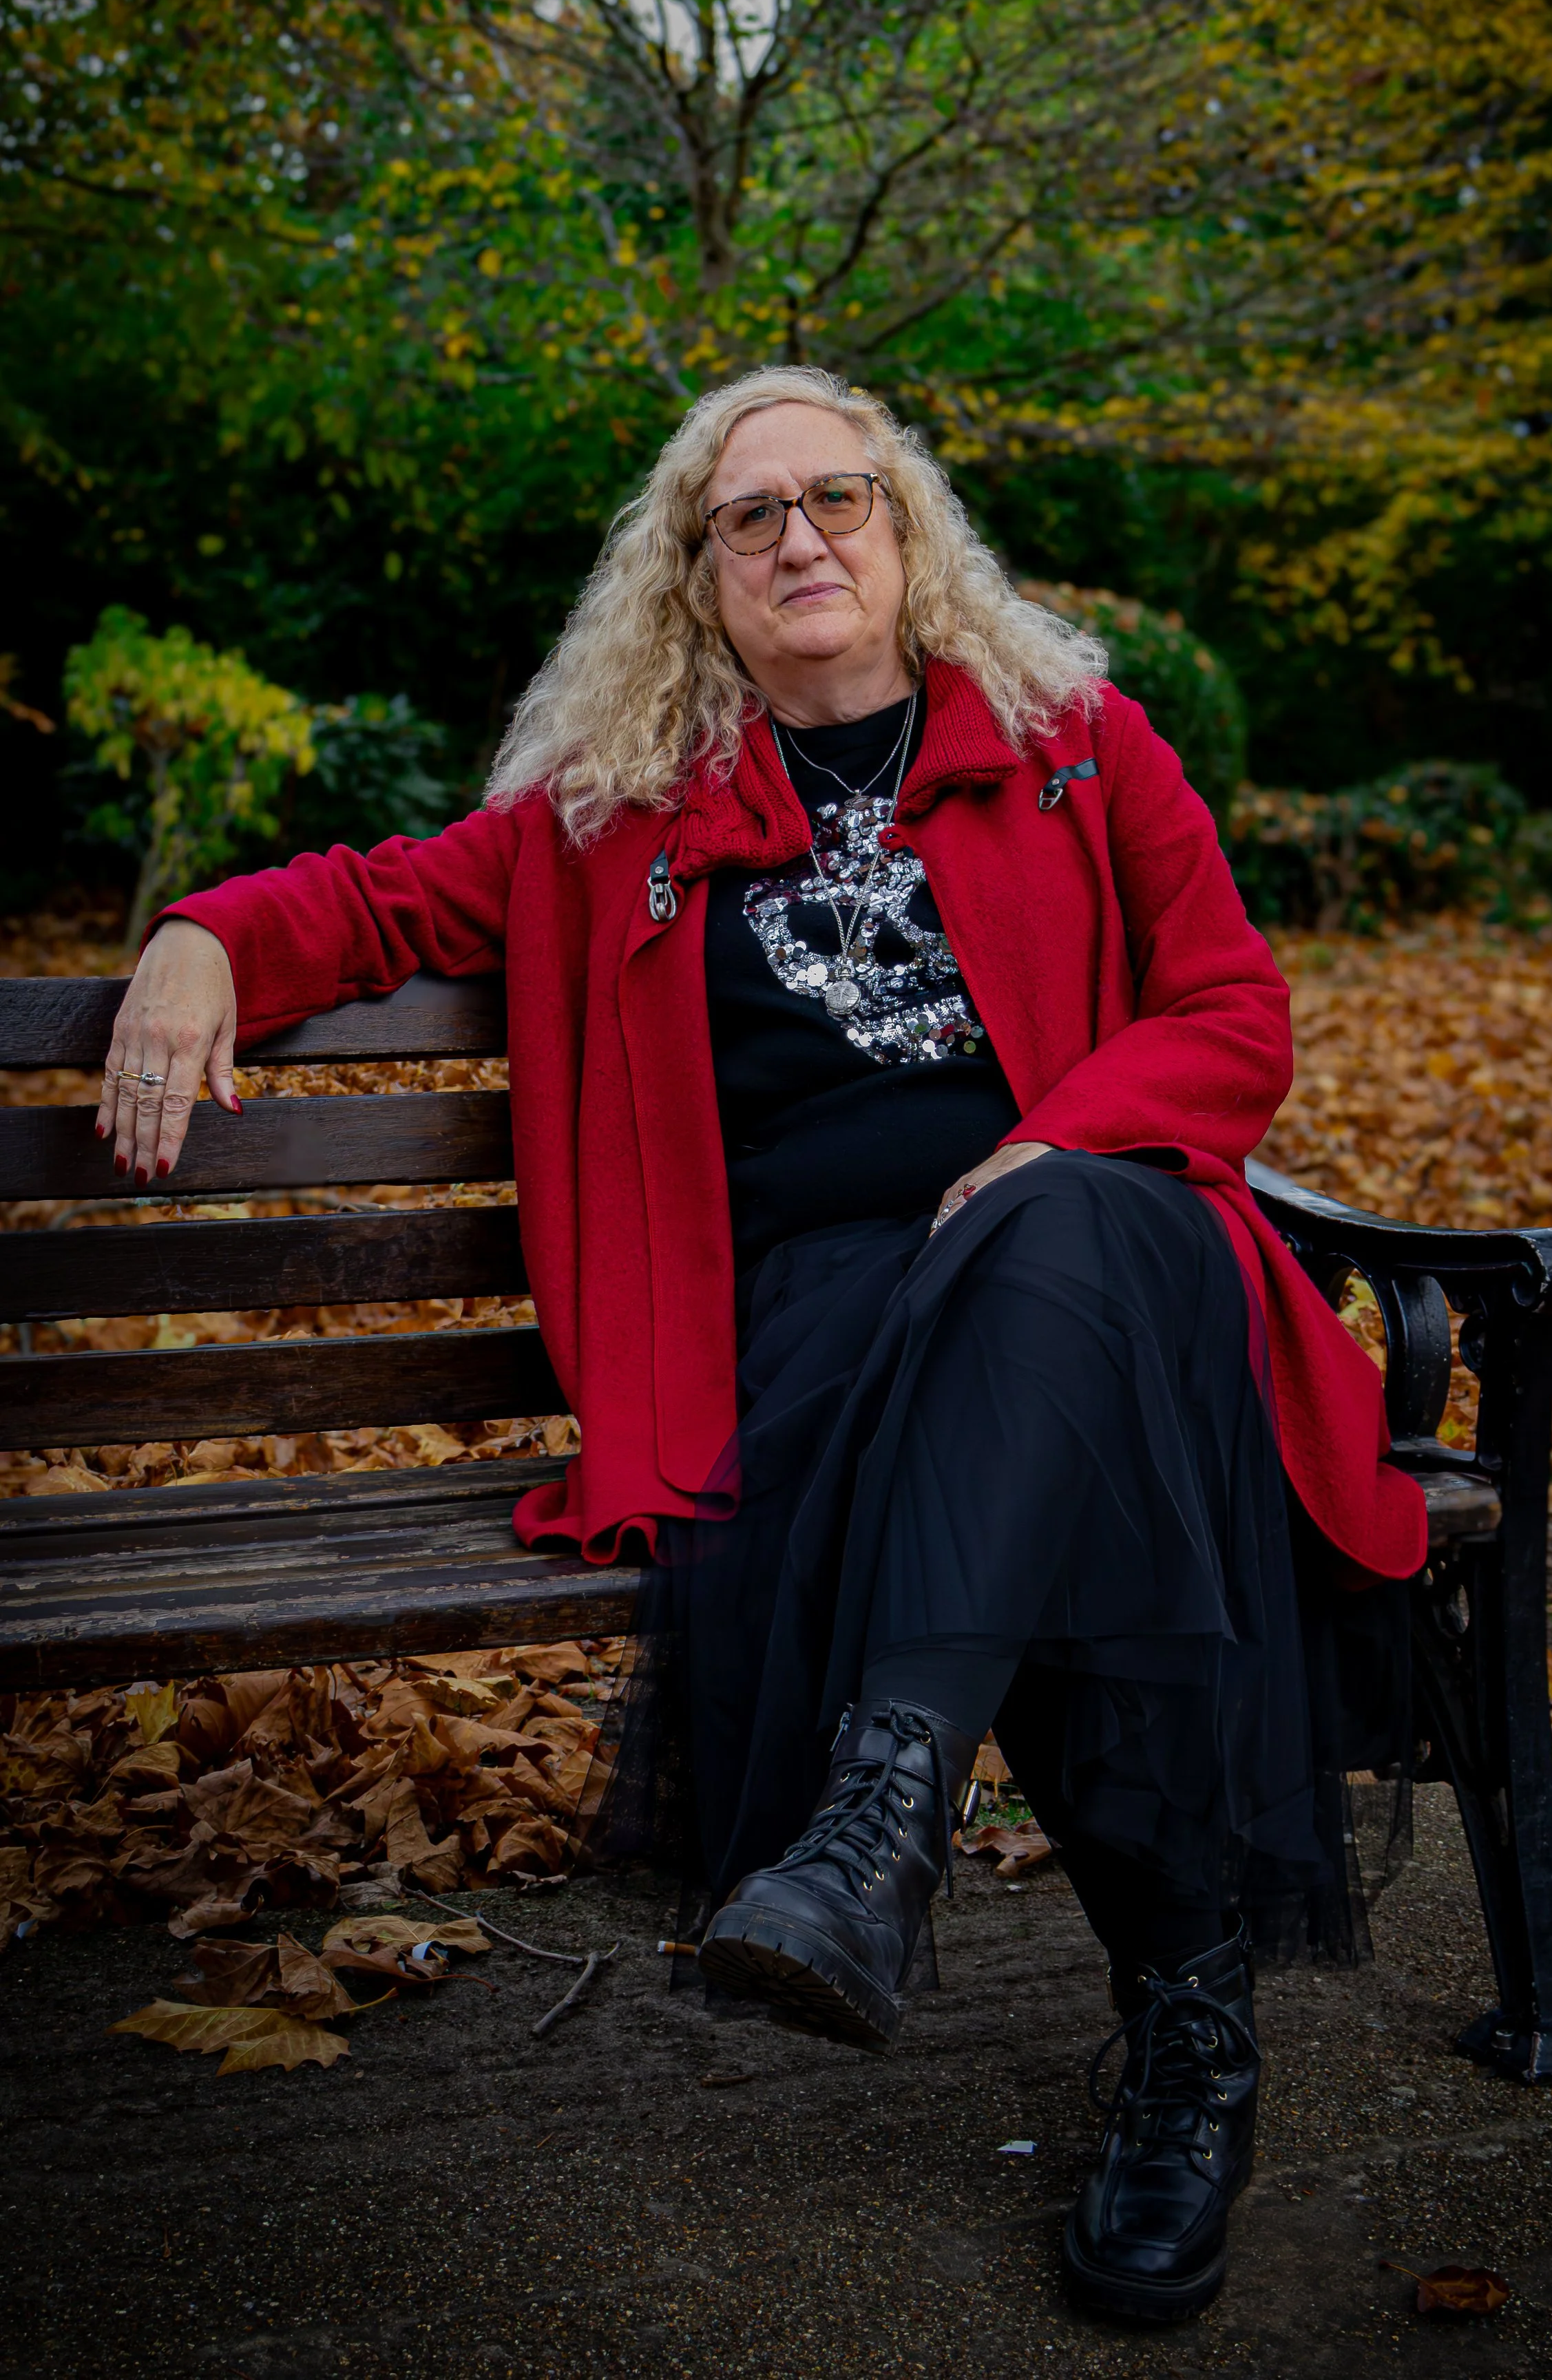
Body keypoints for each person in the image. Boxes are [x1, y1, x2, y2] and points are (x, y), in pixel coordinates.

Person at [100, 366, 1426, 2326]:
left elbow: (1229, 1014)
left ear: (908, 537)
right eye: (752, 516)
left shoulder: (1077, 746)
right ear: (695, 573)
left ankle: (879, 1815)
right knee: (1034, 1445)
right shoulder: (608, 812)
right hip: (827, 1320)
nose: (801, 536)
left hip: (1103, 1248)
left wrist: (1046, 1142)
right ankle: (1186, 2047)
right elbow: (372, 903)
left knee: (1055, 1257)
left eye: (842, 499)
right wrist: (204, 938)